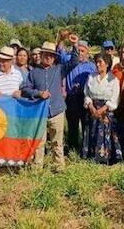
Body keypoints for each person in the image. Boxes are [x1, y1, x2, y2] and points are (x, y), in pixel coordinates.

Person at [23, 40, 79, 171]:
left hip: (57, 110)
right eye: (46, 54)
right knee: (39, 141)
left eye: (51, 55)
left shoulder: (59, 69)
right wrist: (38, 93)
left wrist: (75, 45)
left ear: (54, 57)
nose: (48, 57)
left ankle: (59, 167)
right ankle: (37, 168)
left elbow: (74, 62)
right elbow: (25, 89)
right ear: (41, 55)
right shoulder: (33, 72)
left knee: (57, 142)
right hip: (40, 112)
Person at [58, 35, 96, 153]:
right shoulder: (68, 60)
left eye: (82, 51)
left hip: (85, 98)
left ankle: (85, 149)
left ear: (87, 52)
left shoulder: (91, 66)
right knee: (72, 125)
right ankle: (72, 149)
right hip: (72, 97)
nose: (80, 53)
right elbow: (59, 49)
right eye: (78, 50)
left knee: (86, 124)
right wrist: (62, 38)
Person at [82, 53, 121, 164]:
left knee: (105, 132)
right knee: (92, 132)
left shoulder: (113, 79)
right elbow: (87, 94)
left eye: (100, 62)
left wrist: (102, 109)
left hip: (106, 111)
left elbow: (114, 98)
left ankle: (105, 158)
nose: (98, 64)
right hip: (92, 109)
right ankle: (90, 156)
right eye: (97, 62)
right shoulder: (91, 77)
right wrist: (91, 107)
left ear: (107, 64)